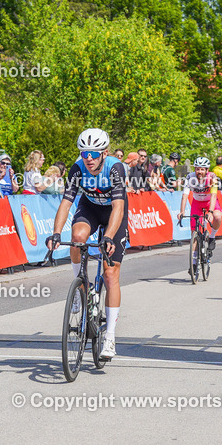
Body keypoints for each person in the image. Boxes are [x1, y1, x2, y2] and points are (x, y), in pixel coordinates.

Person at [47, 128, 128, 359]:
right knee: (77, 238)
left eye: (93, 153)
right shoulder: (78, 168)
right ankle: (80, 287)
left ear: (104, 152)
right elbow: (66, 202)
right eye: (84, 153)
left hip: (113, 213)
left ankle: (110, 337)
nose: (88, 158)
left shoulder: (115, 168)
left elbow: (119, 208)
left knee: (110, 273)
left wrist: (109, 237)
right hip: (90, 208)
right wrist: (55, 233)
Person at [177, 157, 221, 268]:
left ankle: (212, 237)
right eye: (197, 169)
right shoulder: (190, 177)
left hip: (209, 202)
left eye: (202, 169)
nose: (199, 172)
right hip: (197, 203)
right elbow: (185, 195)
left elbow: (214, 195)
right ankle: (194, 262)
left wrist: (210, 211)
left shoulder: (212, 177)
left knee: (217, 216)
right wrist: (182, 211)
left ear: (207, 170)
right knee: (194, 233)